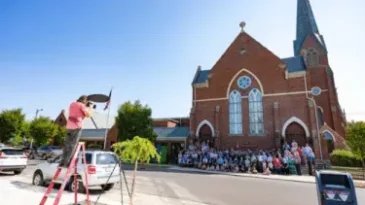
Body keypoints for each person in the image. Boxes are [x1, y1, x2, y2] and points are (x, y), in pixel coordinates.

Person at [59, 95, 93, 167]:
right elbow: (88, 115)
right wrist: (90, 107)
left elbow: (78, 111)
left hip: (69, 126)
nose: (86, 102)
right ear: (84, 100)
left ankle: (62, 162)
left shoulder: (72, 104)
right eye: (86, 101)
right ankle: (67, 163)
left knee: (67, 145)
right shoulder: (81, 105)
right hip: (77, 127)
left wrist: (85, 106)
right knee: (72, 145)